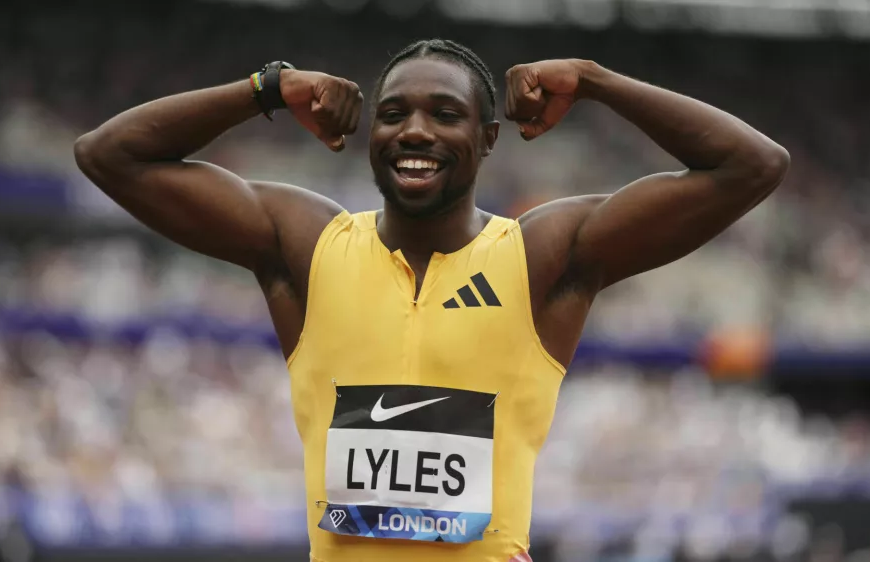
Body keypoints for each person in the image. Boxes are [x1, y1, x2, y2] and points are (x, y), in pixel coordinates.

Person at [74, 39, 788, 562]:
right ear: (370, 137)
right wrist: (268, 87)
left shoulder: (540, 258)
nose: (415, 131)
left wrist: (596, 81)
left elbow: (752, 165)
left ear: (486, 140)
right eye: (394, 114)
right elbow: (109, 155)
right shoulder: (308, 246)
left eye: (444, 114)